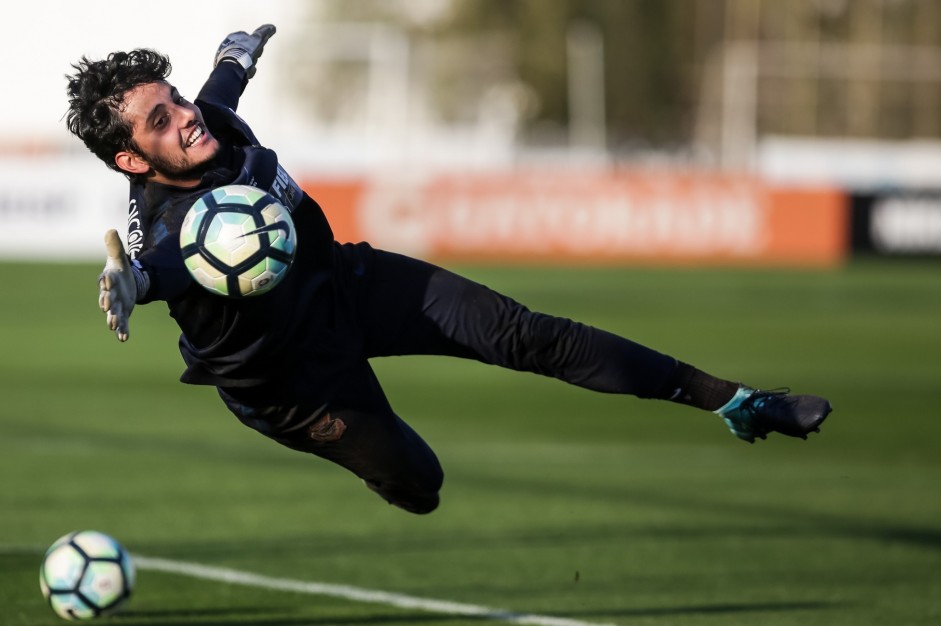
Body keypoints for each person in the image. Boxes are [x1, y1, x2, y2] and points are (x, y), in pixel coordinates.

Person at [66, 25, 832, 515]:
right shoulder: (166, 227)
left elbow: (218, 93)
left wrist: (235, 57)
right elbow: (161, 268)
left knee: (531, 335)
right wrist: (133, 283)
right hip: (291, 381)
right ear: (133, 160)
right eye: (160, 121)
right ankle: (371, 458)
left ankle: (738, 401)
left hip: (346, 285)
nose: (185, 118)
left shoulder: (215, 124)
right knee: (420, 487)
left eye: (174, 101)